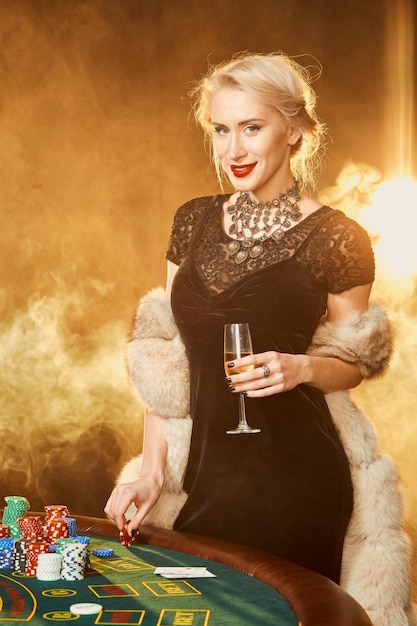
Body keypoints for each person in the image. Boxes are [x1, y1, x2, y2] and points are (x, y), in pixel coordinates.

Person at [105, 53, 414, 624]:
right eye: (221, 131)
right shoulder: (193, 221)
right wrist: (150, 471)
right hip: (203, 477)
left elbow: (352, 360)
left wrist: (301, 369)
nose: (234, 150)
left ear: (294, 129)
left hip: (296, 482)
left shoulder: (337, 238)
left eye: (252, 127)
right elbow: (167, 357)